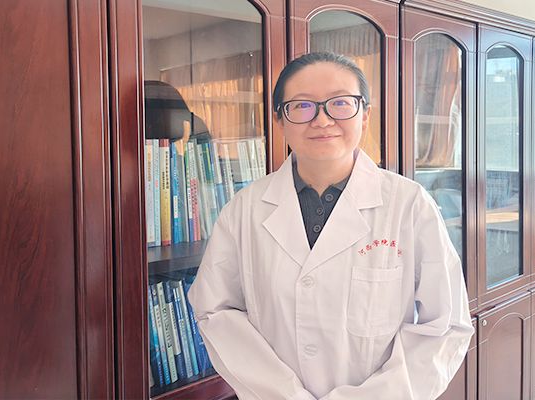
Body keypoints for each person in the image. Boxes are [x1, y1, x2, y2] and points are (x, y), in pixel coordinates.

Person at [188, 52, 474, 400]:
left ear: (365, 115)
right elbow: (216, 310)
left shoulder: (409, 205)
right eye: (302, 106)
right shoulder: (244, 210)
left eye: (340, 103)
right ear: (280, 120)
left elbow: (445, 325)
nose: (322, 120)